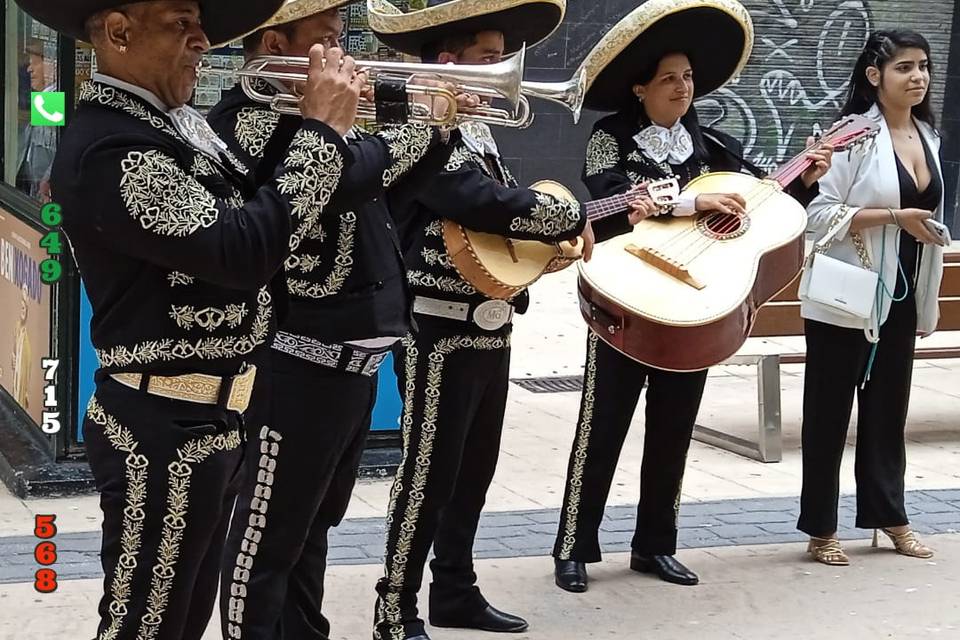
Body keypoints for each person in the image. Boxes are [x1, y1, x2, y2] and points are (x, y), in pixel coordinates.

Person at [19, 0, 364, 637]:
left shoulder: (174, 124)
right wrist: (321, 134)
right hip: (159, 430)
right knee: (146, 627)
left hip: (210, 419)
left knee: (181, 621)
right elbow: (240, 251)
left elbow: (263, 213)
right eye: (182, 23)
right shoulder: (111, 145)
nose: (204, 39)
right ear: (119, 32)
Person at [551, 0, 832, 594]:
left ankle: (655, 545)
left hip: (695, 308)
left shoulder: (711, 145)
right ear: (640, 87)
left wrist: (805, 177)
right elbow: (607, 198)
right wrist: (690, 202)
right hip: (626, 298)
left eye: (688, 77)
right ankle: (573, 547)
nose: (683, 87)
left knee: (674, 429)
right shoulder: (610, 138)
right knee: (600, 427)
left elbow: (764, 205)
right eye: (669, 78)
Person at [366, 0, 624, 637]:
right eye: (491, 61)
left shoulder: (478, 133)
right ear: (449, 62)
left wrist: (539, 251)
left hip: (488, 322)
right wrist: (560, 217)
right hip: (435, 325)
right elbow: (471, 201)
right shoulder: (415, 121)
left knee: (473, 471)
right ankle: (393, 606)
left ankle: (454, 589)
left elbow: (496, 230)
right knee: (426, 472)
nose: (504, 74)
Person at [207, 1, 463, 637]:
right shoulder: (247, 121)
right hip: (290, 370)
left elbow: (394, 183)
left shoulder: (321, 121)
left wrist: (442, 126)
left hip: (350, 368)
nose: (344, 61)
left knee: (312, 530)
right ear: (276, 44)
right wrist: (421, 126)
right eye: (325, 43)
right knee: (263, 546)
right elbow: (350, 174)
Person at [797, 29, 945, 566]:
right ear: (874, 76)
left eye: (923, 66)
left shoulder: (929, 134)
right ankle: (820, 528)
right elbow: (816, 214)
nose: (918, 77)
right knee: (829, 412)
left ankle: (890, 516)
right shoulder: (850, 136)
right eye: (904, 67)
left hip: (902, 293)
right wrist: (893, 218)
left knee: (888, 410)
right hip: (849, 292)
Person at [16, 39, 57, 201]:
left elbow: (43, 156)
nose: (29, 69)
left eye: (35, 63)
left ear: (50, 65)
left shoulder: (50, 97)